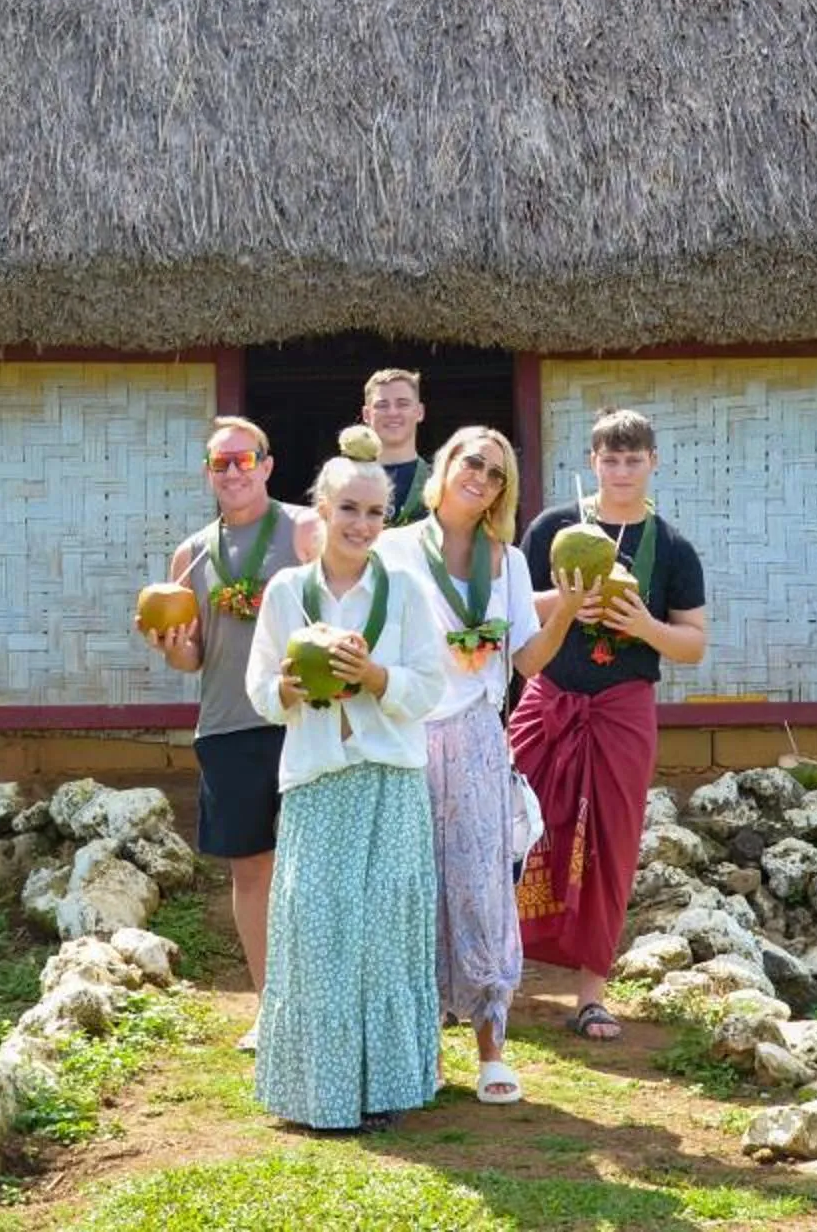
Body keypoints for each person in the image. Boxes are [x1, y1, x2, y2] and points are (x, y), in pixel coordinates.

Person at [246, 454, 448, 1133]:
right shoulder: (285, 593)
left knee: (382, 934)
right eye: (348, 509)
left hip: (389, 780)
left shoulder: (408, 592)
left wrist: (373, 674)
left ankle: (383, 1086)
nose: (361, 523)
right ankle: (318, 1092)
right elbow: (259, 690)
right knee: (319, 929)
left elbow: (431, 688)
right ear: (321, 509)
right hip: (315, 783)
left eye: (374, 512)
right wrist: (287, 689)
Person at [378, 424, 576, 1105]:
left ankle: (491, 1046)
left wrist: (568, 610)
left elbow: (527, 661)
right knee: (413, 888)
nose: (481, 478)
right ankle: (420, 1048)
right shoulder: (394, 549)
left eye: (495, 473)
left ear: (502, 491)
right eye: (472, 462)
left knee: (482, 886)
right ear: (445, 466)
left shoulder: (509, 562)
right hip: (405, 733)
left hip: (478, 736)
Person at [512, 406, 709, 1042]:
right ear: (592, 462)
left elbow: (693, 643)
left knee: (611, 843)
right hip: (550, 696)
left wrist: (641, 625)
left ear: (653, 463)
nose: (621, 470)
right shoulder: (554, 528)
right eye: (610, 458)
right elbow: (512, 605)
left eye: (633, 459)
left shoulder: (673, 547)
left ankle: (591, 993)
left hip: (623, 705)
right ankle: (496, 974)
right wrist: (568, 603)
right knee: (513, 826)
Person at [147, 415, 314, 1052]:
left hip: (301, 719)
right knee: (251, 872)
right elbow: (196, 658)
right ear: (208, 474)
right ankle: (272, 1006)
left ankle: (320, 999)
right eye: (222, 464)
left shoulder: (305, 531)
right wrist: (174, 650)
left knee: (315, 868)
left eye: (246, 460)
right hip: (227, 723)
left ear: (268, 465)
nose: (234, 472)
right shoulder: (189, 557)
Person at [361, 367, 430, 525]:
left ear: (420, 412)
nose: (392, 412)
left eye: (403, 404)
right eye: (382, 405)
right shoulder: (345, 478)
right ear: (366, 414)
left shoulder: (440, 482)